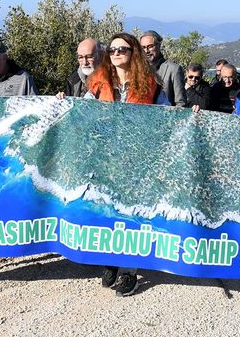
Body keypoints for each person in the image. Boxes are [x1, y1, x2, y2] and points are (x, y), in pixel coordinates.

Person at [85, 33, 168, 297]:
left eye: (122, 49)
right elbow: (81, 113)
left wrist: (191, 115)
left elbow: (167, 117)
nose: (116, 53)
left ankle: (130, 270)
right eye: (112, 50)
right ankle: (111, 259)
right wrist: (64, 101)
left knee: (133, 212)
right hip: (107, 158)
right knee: (108, 210)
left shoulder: (151, 85)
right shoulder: (98, 84)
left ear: (133, 52)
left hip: (138, 160)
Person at [140, 30, 186, 106]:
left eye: (150, 46)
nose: (146, 51)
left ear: (159, 45)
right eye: (143, 47)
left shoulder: (174, 69)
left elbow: (180, 103)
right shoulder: (138, 70)